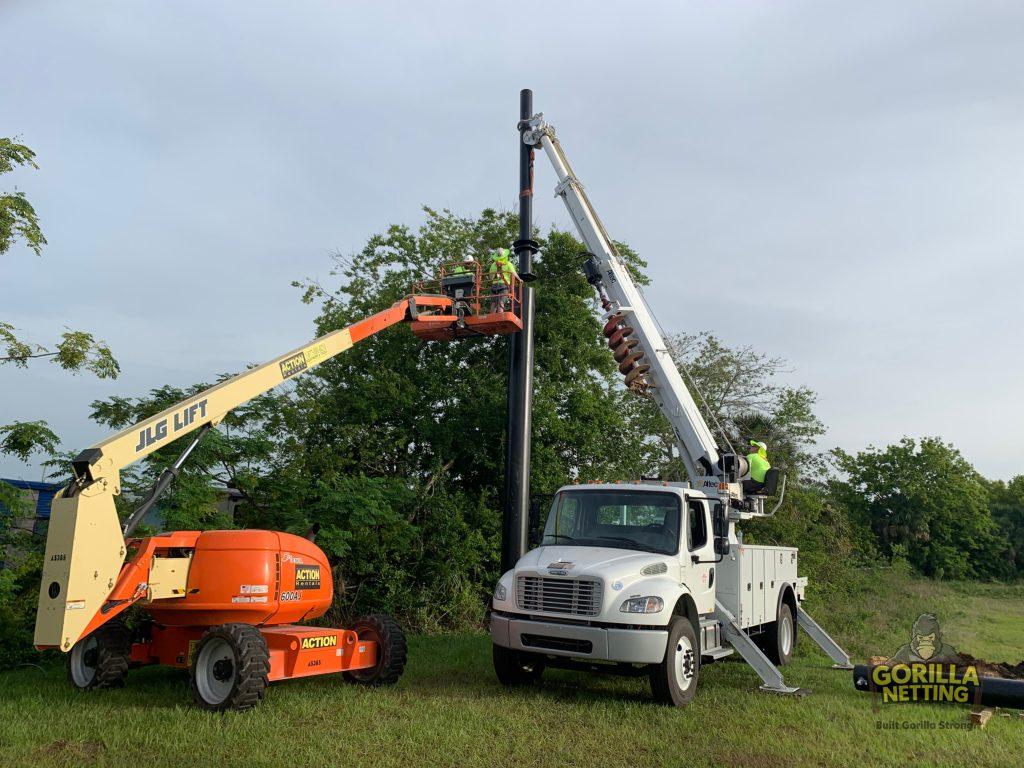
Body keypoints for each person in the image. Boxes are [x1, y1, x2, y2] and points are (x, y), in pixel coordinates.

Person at [487, 247, 517, 313]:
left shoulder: (493, 265)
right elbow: (514, 274)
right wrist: (519, 280)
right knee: (501, 302)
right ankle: (501, 317)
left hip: (494, 286)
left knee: (493, 304)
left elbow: (490, 278)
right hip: (504, 286)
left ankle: (492, 318)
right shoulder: (508, 264)